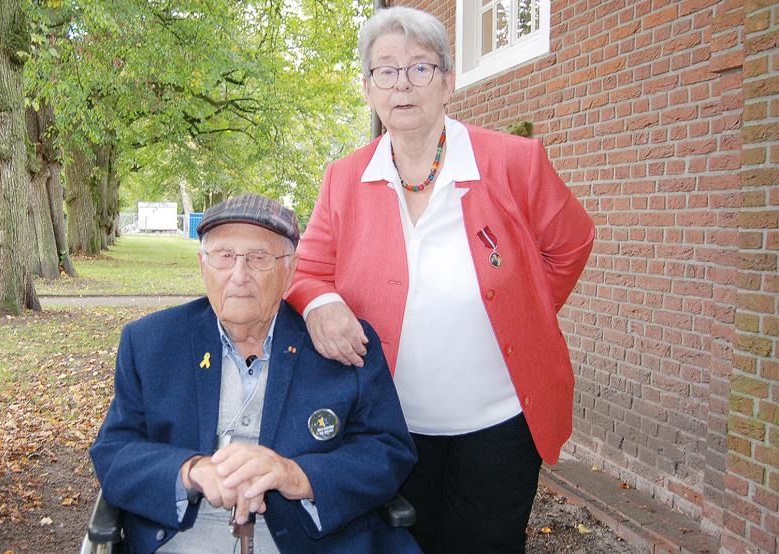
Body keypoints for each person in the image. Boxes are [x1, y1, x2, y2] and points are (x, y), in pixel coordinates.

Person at [285, 7, 595, 553]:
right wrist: (320, 304)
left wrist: (523, 311)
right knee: (406, 543)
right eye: (386, 70)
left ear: (448, 83)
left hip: (499, 420)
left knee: (489, 543)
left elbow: (571, 243)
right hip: (390, 424)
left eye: (420, 68)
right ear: (368, 88)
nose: (403, 83)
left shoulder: (512, 162)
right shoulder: (344, 178)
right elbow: (306, 270)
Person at [91, 194, 420, 554]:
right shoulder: (151, 342)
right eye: (224, 256)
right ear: (203, 265)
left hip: (311, 540)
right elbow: (115, 451)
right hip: (183, 539)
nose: (239, 275)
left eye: (259, 258)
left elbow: (388, 450)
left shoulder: (341, 344)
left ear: (290, 270)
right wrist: (190, 471)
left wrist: (298, 476)